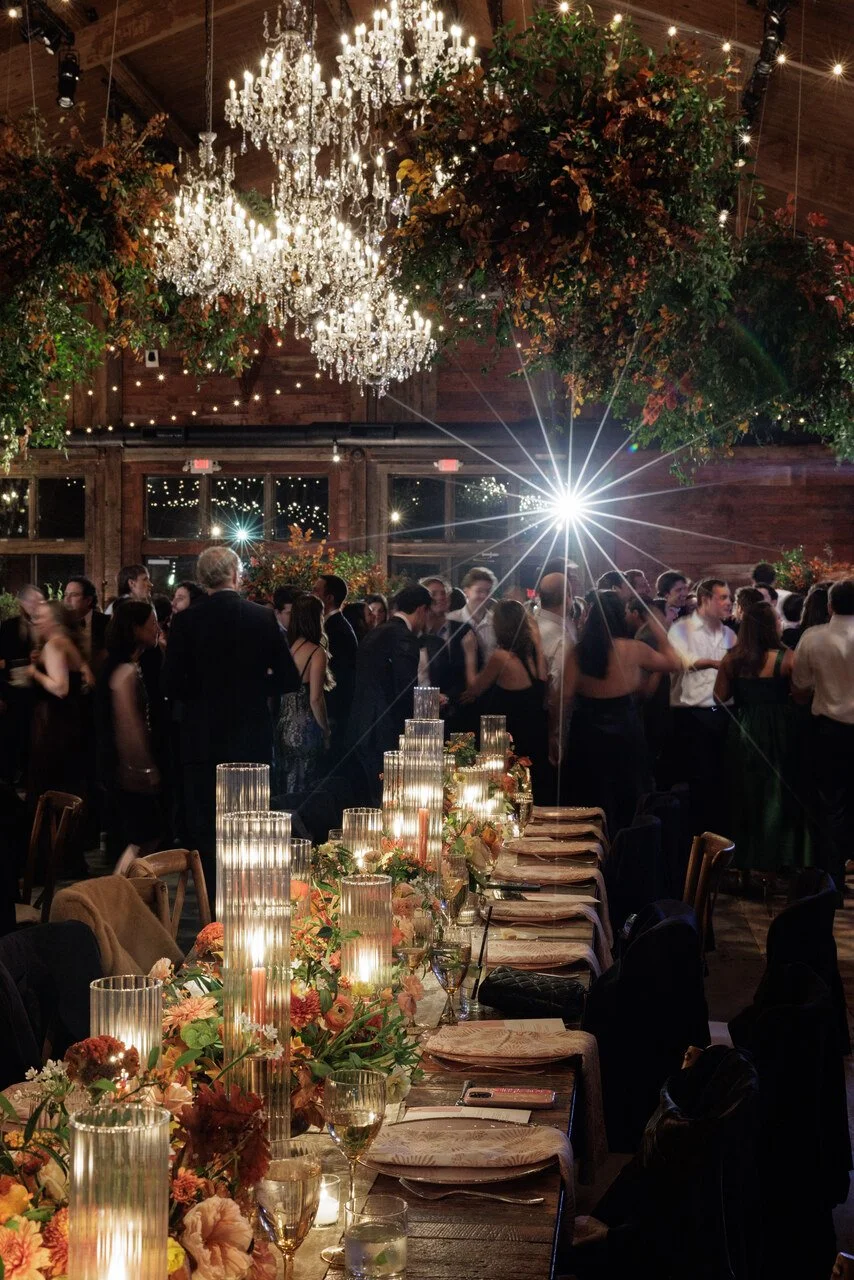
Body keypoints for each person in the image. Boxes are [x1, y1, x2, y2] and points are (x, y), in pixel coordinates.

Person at [164, 546, 299, 892]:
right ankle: (250, 894)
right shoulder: (261, 617)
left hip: (201, 736)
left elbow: (170, 684)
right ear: (236, 575)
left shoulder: (186, 620)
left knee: (206, 826)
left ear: (201, 579)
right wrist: (254, 684)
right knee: (251, 819)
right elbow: (288, 678)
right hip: (249, 736)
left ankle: (212, 905)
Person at [562, 592, 681, 834]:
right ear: (620, 617)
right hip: (624, 728)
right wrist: (659, 630)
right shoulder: (634, 649)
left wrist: (557, 735)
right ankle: (623, 848)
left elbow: (564, 697)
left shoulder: (578, 651)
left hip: (586, 729)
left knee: (589, 793)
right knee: (625, 793)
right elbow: (674, 662)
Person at [714, 602, 811, 878]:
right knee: (777, 794)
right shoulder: (786, 658)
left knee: (745, 792)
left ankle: (744, 857)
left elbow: (719, 697)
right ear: (773, 625)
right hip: (779, 728)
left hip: (744, 728)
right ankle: (776, 858)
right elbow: (802, 696)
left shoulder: (732, 658)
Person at [792, 578, 854, 896]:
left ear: (829, 606)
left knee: (831, 805)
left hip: (829, 731)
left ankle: (832, 880)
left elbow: (800, 689)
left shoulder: (813, 637)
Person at [347, 583, 431, 802]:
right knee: (390, 798)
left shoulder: (376, 633)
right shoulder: (403, 637)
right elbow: (404, 689)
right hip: (385, 730)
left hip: (361, 725)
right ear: (422, 609)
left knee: (372, 797)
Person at [96, 600, 162, 872]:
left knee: (144, 835)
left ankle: (125, 895)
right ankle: (120, 895)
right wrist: (142, 768)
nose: (158, 628)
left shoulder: (124, 664)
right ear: (135, 629)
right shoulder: (125, 671)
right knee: (144, 836)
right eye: (152, 623)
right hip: (126, 767)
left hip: (119, 766)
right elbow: (129, 725)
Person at [460, 599, 550, 797]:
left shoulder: (501, 657)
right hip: (535, 732)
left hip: (511, 737)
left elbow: (474, 689)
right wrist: (537, 641)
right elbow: (543, 680)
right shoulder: (528, 654)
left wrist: (469, 655)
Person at [666, 579, 735, 835]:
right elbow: (685, 662)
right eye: (722, 597)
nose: (728, 603)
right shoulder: (681, 629)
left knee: (718, 782)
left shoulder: (729, 633)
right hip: (691, 716)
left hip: (721, 714)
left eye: (729, 598)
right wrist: (720, 664)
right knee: (696, 783)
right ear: (705, 600)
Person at [26, 601, 92, 810]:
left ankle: (49, 837)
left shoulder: (54, 644)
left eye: (42, 617)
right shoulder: (66, 642)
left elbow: (60, 688)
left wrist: (35, 672)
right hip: (70, 720)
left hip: (55, 725)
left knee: (51, 784)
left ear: (54, 621)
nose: (36, 621)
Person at [275, 595, 332, 794]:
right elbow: (315, 698)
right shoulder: (316, 652)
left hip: (283, 726)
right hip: (306, 728)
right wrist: (326, 730)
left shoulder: (290, 648)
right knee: (306, 787)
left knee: (288, 785)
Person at [0, 584, 44, 783]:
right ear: (23, 603)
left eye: (40, 602)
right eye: (33, 602)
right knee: (11, 735)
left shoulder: (45, 626)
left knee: (34, 738)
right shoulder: (9, 626)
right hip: (12, 689)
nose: (37, 606)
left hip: (38, 690)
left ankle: (29, 778)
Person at [536, 572, 577, 781]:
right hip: (547, 721)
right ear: (567, 597)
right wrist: (557, 737)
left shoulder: (530, 623)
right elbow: (559, 694)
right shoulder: (561, 639)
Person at [312, 573, 358, 737]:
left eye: (316, 591)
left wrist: (329, 715)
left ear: (329, 598)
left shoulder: (336, 629)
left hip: (335, 712)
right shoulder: (331, 625)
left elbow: (338, 674)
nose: (312, 595)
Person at [447, 566, 498, 666]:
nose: (484, 596)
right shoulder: (451, 619)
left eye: (488, 591)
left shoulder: (496, 622)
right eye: (479, 591)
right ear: (466, 591)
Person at [63, 576, 108, 668]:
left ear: (88, 600)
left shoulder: (106, 622)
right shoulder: (61, 623)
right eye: (66, 595)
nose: (67, 600)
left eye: (74, 595)